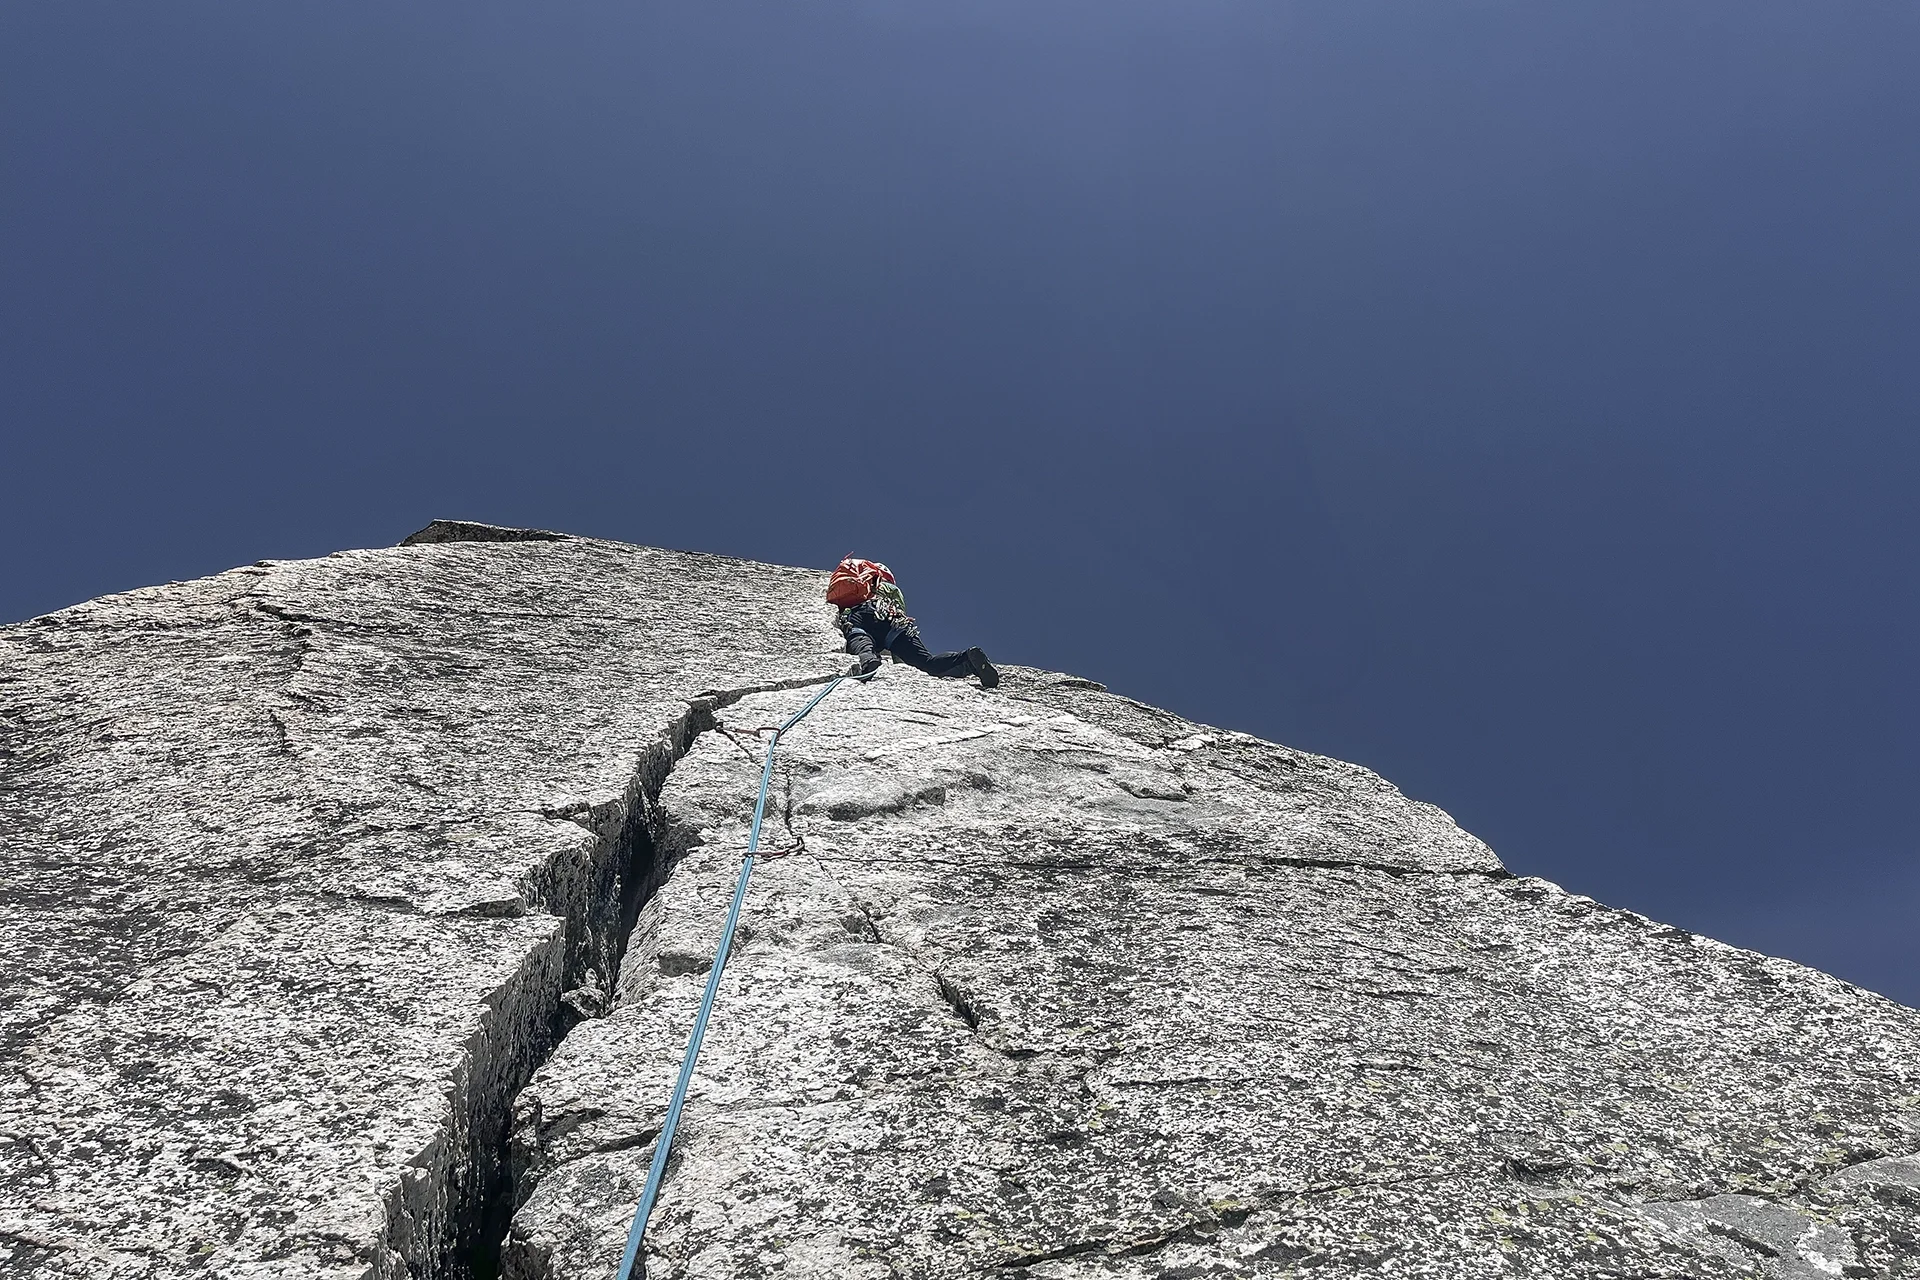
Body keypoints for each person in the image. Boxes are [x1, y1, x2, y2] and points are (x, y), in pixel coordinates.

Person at [830, 558, 1000, 688]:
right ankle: (968, 659)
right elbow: (900, 612)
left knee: (859, 636)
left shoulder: (860, 586)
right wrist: (902, 661)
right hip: (893, 620)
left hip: (861, 615)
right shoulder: (892, 589)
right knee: (926, 663)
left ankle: (867, 661)